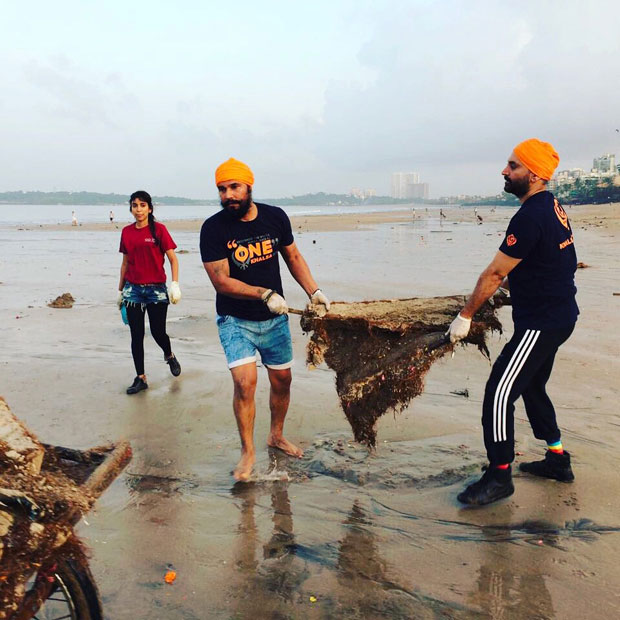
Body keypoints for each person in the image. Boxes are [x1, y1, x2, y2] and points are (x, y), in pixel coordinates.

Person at [447, 138, 578, 506]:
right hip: (560, 314)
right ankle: (557, 459)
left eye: (513, 166)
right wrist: (515, 283)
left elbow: (494, 272)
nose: (505, 171)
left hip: (542, 322)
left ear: (534, 175)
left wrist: (465, 316)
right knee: (533, 386)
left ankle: (499, 475)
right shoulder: (550, 205)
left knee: (499, 392)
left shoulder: (531, 215)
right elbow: (550, 261)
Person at [200, 158, 330, 481]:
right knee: (245, 383)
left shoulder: (275, 218)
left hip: (274, 321)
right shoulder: (213, 229)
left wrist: (315, 292)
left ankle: (276, 434)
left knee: (282, 380)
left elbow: (293, 257)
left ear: (248, 186)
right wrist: (263, 293)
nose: (228, 195)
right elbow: (221, 281)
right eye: (222, 189)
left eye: (234, 187)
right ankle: (248, 452)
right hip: (235, 319)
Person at [118, 190, 182, 394]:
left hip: (156, 289)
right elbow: (125, 263)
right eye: (135, 205)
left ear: (149, 208)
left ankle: (169, 355)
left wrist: (175, 284)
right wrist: (120, 291)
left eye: (142, 205)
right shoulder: (127, 232)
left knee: (157, 332)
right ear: (131, 208)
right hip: (133, 290)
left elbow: (173, 259)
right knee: (136, 335)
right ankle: (141, 378)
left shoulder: (159, 230)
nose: (139, 209)